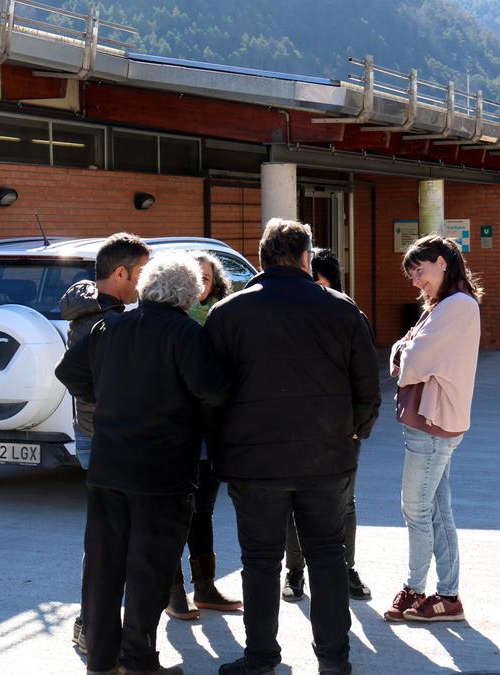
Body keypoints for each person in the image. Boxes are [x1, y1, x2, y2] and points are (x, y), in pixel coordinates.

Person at [205, 219, 380, 675]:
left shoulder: (227, 313)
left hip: (253, 461)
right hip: (328, 458)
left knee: (260, 561)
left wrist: (223, 443)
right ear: (306, 259)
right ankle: (334, 660)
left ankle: (262, 657)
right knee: (327, 555)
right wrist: (354, 431)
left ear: (262, 259)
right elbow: (367, 388)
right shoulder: (344, 310)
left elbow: (210, 392)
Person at [55, 251, 232, 675]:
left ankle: (102, 662)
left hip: (109, 464)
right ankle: (139, 662)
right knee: (149, 572)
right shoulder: (186, 334)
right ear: (189, 293)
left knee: (103, 567)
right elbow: (215, 391)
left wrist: (109, 396)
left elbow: (70, 374)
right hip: (163, 471)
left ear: (146, 285)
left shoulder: (109, 327)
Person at [59, 232, 151, 654]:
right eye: (141, 274)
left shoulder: (94, 304)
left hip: (97, 434)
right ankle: (92, 628)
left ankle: (93, 627)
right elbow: (79, 378)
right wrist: (120, 399)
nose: (143, 284)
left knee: (106, 540)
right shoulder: (99, 319)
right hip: (103, 437)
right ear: (120, 273)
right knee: (107, 544)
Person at [384, 234, 482, 623]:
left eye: (419, 271)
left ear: (442, 262)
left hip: (432, 424)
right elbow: (403, 349)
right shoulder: (447, 304)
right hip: (435, 421)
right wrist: (405, 350)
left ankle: (415, 589)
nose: (415, 282)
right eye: (411, 275)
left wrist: (405, 351)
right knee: (438, 511)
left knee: (416, 510)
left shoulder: (455, 306)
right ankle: (447, 596)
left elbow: (411, 358)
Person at [282, 248, 371, 603]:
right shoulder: (286, 318)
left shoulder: (348, 315)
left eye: (318, 282)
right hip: (294, 429)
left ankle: (346, 567)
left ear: (332, 282)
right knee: (293, 503)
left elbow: (364, 380)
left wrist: (357, 425)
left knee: (344, 503)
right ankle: (294, 570)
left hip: (339, 431)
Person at [164, 252, 242, 621]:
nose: (200, 283)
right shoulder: (173, 324)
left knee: (204, 511)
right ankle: (174, 589)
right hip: (179, 433)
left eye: (207, 278)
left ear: (215, 283)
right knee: (178, 512)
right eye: (194, 276)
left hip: (212, 432)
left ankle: (206, 586)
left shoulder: (223, 318)